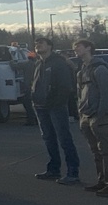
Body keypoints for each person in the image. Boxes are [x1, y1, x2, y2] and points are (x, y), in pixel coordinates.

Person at [73, 39, 108, 197]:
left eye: (78, 46)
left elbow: (105, 95)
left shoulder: (100, 69)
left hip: (99, 117)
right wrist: (81, 115)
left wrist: (100, 115)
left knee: (107, 151)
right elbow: (80, 95)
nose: (75, 49)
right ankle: (102, 180)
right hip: (86, 116)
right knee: (96, 152)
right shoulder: (81, 71)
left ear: (89, 48)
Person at [30, 36, 81, 184]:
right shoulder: (39, 63)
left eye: (41, 43)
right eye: (36, 43)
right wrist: (34, 98)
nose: (38, 45)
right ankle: (53, 169)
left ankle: (73, 171)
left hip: (56, 107)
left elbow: (66, 87)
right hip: (40, 106)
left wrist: (55, 102)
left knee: (64, 138)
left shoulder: (59, 63)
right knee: (48, 138)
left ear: (50, 46)